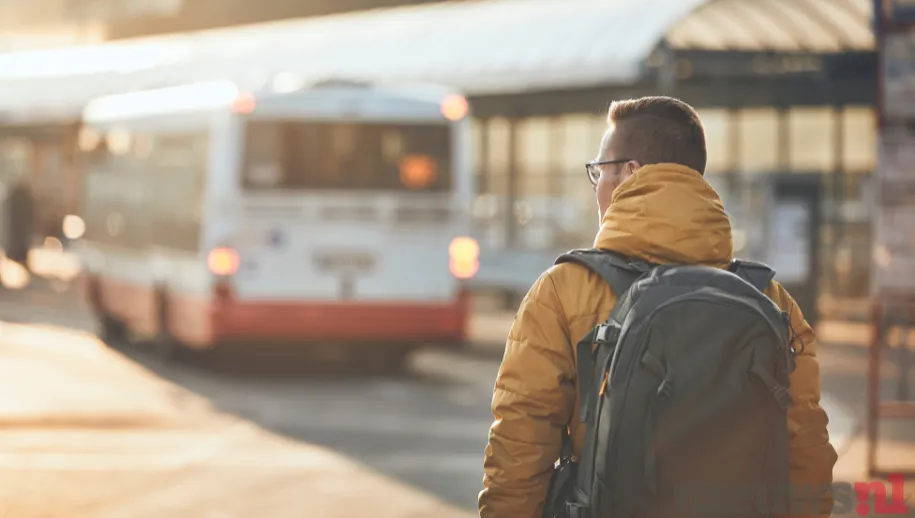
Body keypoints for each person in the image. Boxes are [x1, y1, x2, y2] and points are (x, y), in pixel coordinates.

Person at [478, 96, 837, 518]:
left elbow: (519, 450)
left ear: (629, 173)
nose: (598, 189)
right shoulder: (769, 300)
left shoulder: (563, 292)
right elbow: (806, 452)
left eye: (599, 172)